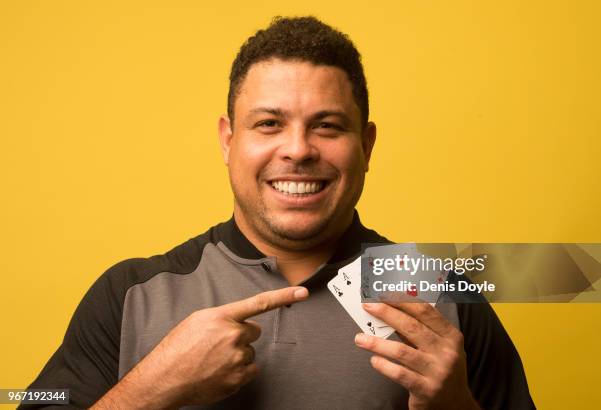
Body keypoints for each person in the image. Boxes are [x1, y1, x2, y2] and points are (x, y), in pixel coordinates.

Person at [20, 16, 535, 410]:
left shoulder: (444, 294)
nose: (298, 150)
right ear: (228, 140)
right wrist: (149, 391)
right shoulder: (129, 293)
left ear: (367, 144)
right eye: (269, 123)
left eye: (328, 126)